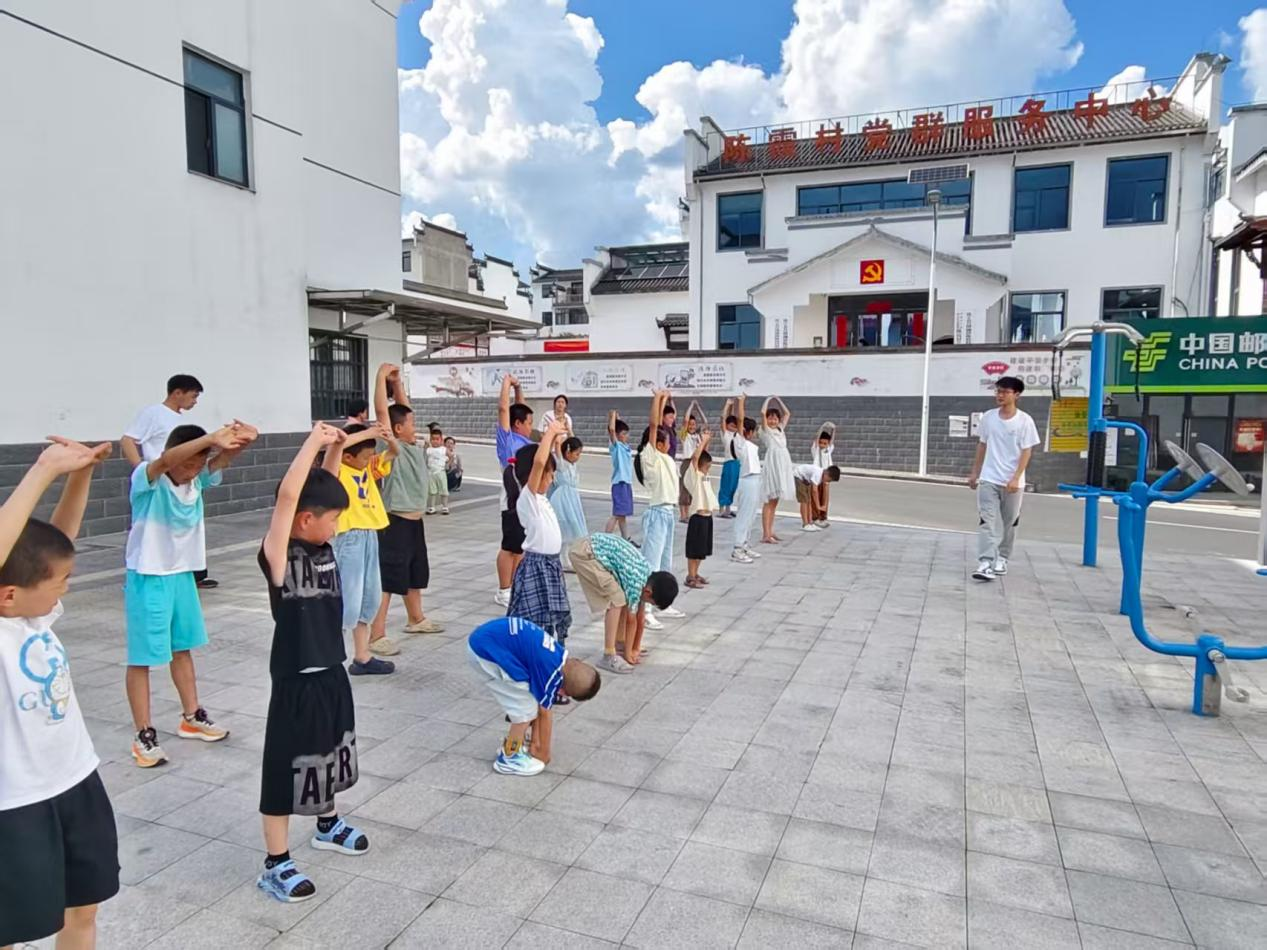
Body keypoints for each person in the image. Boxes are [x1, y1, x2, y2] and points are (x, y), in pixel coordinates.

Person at [0, 438, 120, 950]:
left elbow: (55, 547)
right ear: (8, 594)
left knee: (83, 907)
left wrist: (81, 474)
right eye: (61, 583)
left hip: (75, 779)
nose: (66, 589)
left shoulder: (32, 615)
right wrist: (46, 467)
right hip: (14, 802)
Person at [256, 424, 370, 904]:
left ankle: (327, 824)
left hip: (330, 671)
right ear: (305, 520)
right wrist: (313, 442)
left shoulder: (322, 548)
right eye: (333, 520)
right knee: (285, 769)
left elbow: (322, 488)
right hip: (296, 681)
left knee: (330, 753)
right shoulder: (279, 556)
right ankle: (276, 863)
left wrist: (338, 448)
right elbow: (289, 497)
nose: (337, 528)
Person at [125, 421, 257, 768]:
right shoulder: (148, 479)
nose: (192, 471)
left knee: (181, 648)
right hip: (149, 576)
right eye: (188, 464)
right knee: (142, 657)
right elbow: (166, 460)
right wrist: (209, 438)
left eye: (198, 464)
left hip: (182, 575)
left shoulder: (197, 481)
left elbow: (223, 459)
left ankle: (191, 716)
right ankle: (143, 734)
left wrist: (244, 439)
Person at [369, 365, 442, 661]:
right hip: (394, 521)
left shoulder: (412, 445)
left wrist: (398, 384)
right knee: (388, 579)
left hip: (414, 521)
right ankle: (376, 635)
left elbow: (403, 409)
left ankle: (416, 619)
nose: (415, 425)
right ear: (397, 430)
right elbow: (383, 414)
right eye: (410, 423)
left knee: (414, 572)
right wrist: (380, 378)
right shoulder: (392, 445)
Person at [121, 373, 220, 591]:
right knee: (155, 530)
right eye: (193, 396)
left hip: (183, 479)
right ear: (177, 393)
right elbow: (128, 439)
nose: (195, 402)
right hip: (159, 480)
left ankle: (191, 572)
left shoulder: (181, 420)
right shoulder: (153, 413)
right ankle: (147, 573)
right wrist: (141, 469)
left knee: (186, 527)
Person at [468, 616, 600, 776]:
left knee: (529, 700)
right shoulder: (551, 674)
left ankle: (513, 743)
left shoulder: (558, 655)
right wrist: (544, 753)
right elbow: (545, 712)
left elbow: (540, 701)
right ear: (565, 692)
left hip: (486, 640)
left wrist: (536, 744)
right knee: (525, 710)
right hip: (486, 652)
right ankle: (509, 758)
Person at [322, 422, 398, 675]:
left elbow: (394, 453)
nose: (369, 461)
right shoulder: (337, 471)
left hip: (370, 534)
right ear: (348, 457)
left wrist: (387, 437)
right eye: (365, 457)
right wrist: (368, 433)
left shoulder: (366, 468)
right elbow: (336, 446)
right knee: (348, 601)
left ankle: (362, 656)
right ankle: (329, 658)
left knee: (369, 598)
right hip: (349, 537)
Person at [508, 425, 572, 700]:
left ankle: (547, 681)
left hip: (550, 567)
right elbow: (538, 462)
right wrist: (550, 434)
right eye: (549, 473)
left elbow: (541, 464)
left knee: (549, 628)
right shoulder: (528, 498)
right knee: (535, 629)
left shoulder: (542, 500)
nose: (551, 477)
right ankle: (534, 683)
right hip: (536, 568)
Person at [568, 532, 679, 673]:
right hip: (585, 553)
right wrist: (628, 655)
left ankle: (620, 642)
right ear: (648, 593)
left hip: (591, 549)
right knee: (617, 600)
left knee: (624, 600)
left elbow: (640, 617)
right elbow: (632, 621)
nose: (647, 604)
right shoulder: (636, 583)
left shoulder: (646, 575)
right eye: (650, 602)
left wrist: (635, 648)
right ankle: (609, 655)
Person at [969, 376, 1040, 581]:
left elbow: (1026, 451)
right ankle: (985, 562)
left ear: (1016, 395)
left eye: (1005, 392)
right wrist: (975, 472)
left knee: (1010, 523)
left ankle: (1003, 557)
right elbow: (982, 445)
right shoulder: (989, 417)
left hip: (1012, 482)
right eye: (998, 391)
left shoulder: (1025, 421)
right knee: (986, 521)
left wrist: (1016, 478)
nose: (1000, 395)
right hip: (989, 478)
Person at [635, 389, 685, 625]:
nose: (668, 442)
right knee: (651, 564)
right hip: (656, 513)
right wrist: (657, 399)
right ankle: (644, 611)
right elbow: (654, 425)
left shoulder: (666, 457)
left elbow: (664, 426)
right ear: (656, 443)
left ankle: (663, 604)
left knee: (665, 562)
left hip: (668, 512)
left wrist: (666, 400)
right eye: (664, 440)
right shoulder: (650, 456)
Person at [495, 374, 534, 607]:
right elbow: (504, 410)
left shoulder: (527, 442)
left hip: (527, 502)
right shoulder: (507, 440)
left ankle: (515, 587)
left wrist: (519, 388)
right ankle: (503, 590)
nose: (531, 426)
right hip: (511, 502)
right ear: (517, 424)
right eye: (528, 423)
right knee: (509, 547)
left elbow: (520, 408)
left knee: (521, 548)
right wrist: (507, 384)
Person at [730, 394, 762, 564]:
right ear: (747, 432)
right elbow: (740, 419)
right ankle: (737, 548)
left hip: (755, 479)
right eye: (754, 430)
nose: (755, 434)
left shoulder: (750, 445)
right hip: (747, 480)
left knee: (751, 515)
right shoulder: (739, 441)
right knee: (744, 515)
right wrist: (741, 402)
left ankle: (745, 544)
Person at [758, 397, 795, 544]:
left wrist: (778, 400)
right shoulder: (765, 430)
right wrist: (769, 399)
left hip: (783, 464)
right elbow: (762, 413)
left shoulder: (780, 429)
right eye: (770, 418)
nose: (773, 421)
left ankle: (770, 531)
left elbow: (787, 413)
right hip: (773, 464)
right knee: (769, 500)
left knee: (775, 501)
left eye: (775, 418)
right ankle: (766, 534)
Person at [682, 432, 717, 589]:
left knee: (702, 550)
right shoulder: (694, 475)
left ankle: (696, 573)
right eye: (707, 467)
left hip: (707, 516)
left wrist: (706, 443)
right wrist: (703, 441)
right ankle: (690, 576)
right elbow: (696, 458)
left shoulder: (704, 475)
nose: (708, 469)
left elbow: (703, 456)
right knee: (694, 550)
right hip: (697, 517)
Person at [548, 435, 588, 552]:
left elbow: (572, 437)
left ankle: (573, 550)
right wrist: (557, 440)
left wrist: (569, 430)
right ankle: (563, 551)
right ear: (567, 453)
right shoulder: (561, 464)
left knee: (574, 523)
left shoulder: (573, 465)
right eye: (576, 454)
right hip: (563, 500)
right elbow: (557, 450)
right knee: (565, 523)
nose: (578, 457)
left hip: (572, 500)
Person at [605, 412, 634, 540]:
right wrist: (612, 417)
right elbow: (612, 430)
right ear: (617, 435)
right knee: (617, 514)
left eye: (627, 433)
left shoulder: (625, 446)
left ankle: (625, 538)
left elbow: (616, 427)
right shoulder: (615, 446)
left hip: (626, 483)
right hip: (620, 483)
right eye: (623, 433)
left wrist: (617, 419)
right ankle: (605, 538)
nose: (626, 436)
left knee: (622, 514)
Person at [792, 463, 841, 532]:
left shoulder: (821, 475)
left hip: (806, 479)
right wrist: (818, 506)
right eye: (828, 480)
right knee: (804, 501)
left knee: (809, 501)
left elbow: (814, 492)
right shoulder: (818, 474)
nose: (827, 482)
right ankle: (805, 524)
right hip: (799, 476)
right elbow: (814, 491)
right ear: (826, 473)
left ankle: (810, 522)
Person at [716, 400, 741, 519]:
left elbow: (736, 417)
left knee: (733, 486)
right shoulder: (725, 433)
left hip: (737, 463)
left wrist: (734, 405)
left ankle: (728, 508)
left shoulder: (737, 435)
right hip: (729, 462)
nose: (733, 428)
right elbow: (723, 418)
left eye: (735, 426)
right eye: (731, 425)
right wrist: (727, 404)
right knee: (725, 486)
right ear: (726, 425)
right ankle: (721, 509)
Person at [810, 423, 837, 528]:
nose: (822, 445)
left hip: (826, 478)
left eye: (825, 443)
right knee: (815, 497)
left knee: (825, 498)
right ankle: (815, 517)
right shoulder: (816, 450)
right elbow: (817, 438)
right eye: (821, 443)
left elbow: (832, 439)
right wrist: (822, 427)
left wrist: (833, 429)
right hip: (817, 477)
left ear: (828, 444)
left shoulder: (828, 450)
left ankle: (823, 517)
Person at [676, 412, 701, 523]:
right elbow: (685, 422)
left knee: (691, 489)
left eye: (694, 424)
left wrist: (698, 409)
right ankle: (683, 515)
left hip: (695, 463)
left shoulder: (697, 437)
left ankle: (688, 514)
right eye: (690, 424)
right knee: (684, 489)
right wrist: (691, 406)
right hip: (686, 462)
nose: (692, 426)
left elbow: (705, 424)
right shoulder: (684, 436)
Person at [424, 426, 450, 516]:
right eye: (433, 439)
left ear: (441, 440)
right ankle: (431, 507)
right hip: (431, 472)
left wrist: (448, 464)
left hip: (440, 472)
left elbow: (451, 456)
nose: (435, 441)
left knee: (444, 490)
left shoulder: (443, 449)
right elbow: (424, 456)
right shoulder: (429, 449)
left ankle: (445, 507)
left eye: (437, 439)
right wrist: (426, 444)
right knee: (432, 491)